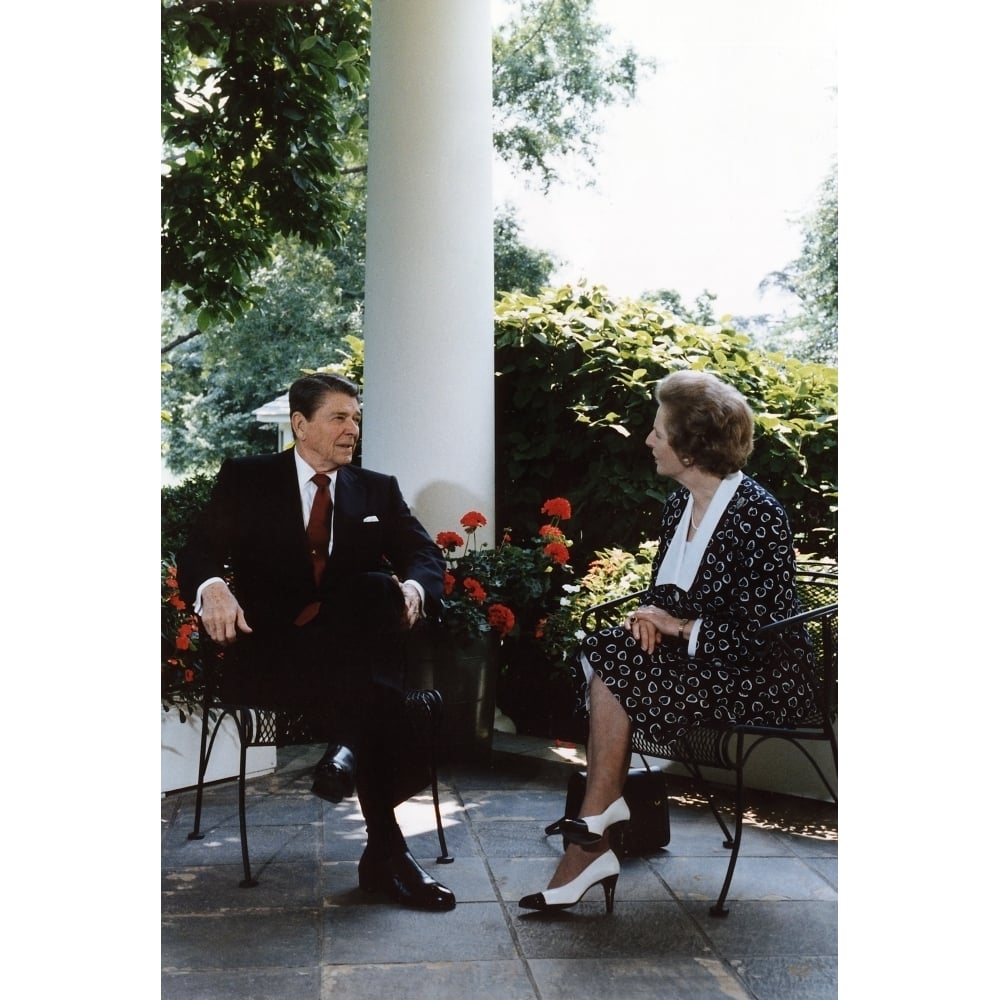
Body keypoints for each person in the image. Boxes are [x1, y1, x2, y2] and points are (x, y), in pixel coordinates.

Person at [519, 369, 816, 914]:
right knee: (614, 647)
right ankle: (597, 826)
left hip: (759, 675)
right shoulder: (678, 504)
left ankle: (594, 835)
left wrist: (678, 627)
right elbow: (670, 592)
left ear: (691, 447)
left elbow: (762, 634)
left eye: (659, 432)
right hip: (698, 665)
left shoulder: (759, 514)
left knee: (612, 659)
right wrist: (651, 615)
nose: (649, 440)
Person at [178, 372, 456, 912]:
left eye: (356, 419)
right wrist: (212, 589)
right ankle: (382, 848)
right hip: (272, 654)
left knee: (379, 591)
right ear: (300, 425)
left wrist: (416, 592)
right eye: (339, 418)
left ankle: (373, 816)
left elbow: (422, 556)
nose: (352, 429)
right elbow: (198, 550)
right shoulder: (248, 479)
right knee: (377, 696)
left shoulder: (377, 489)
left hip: (345, 659)